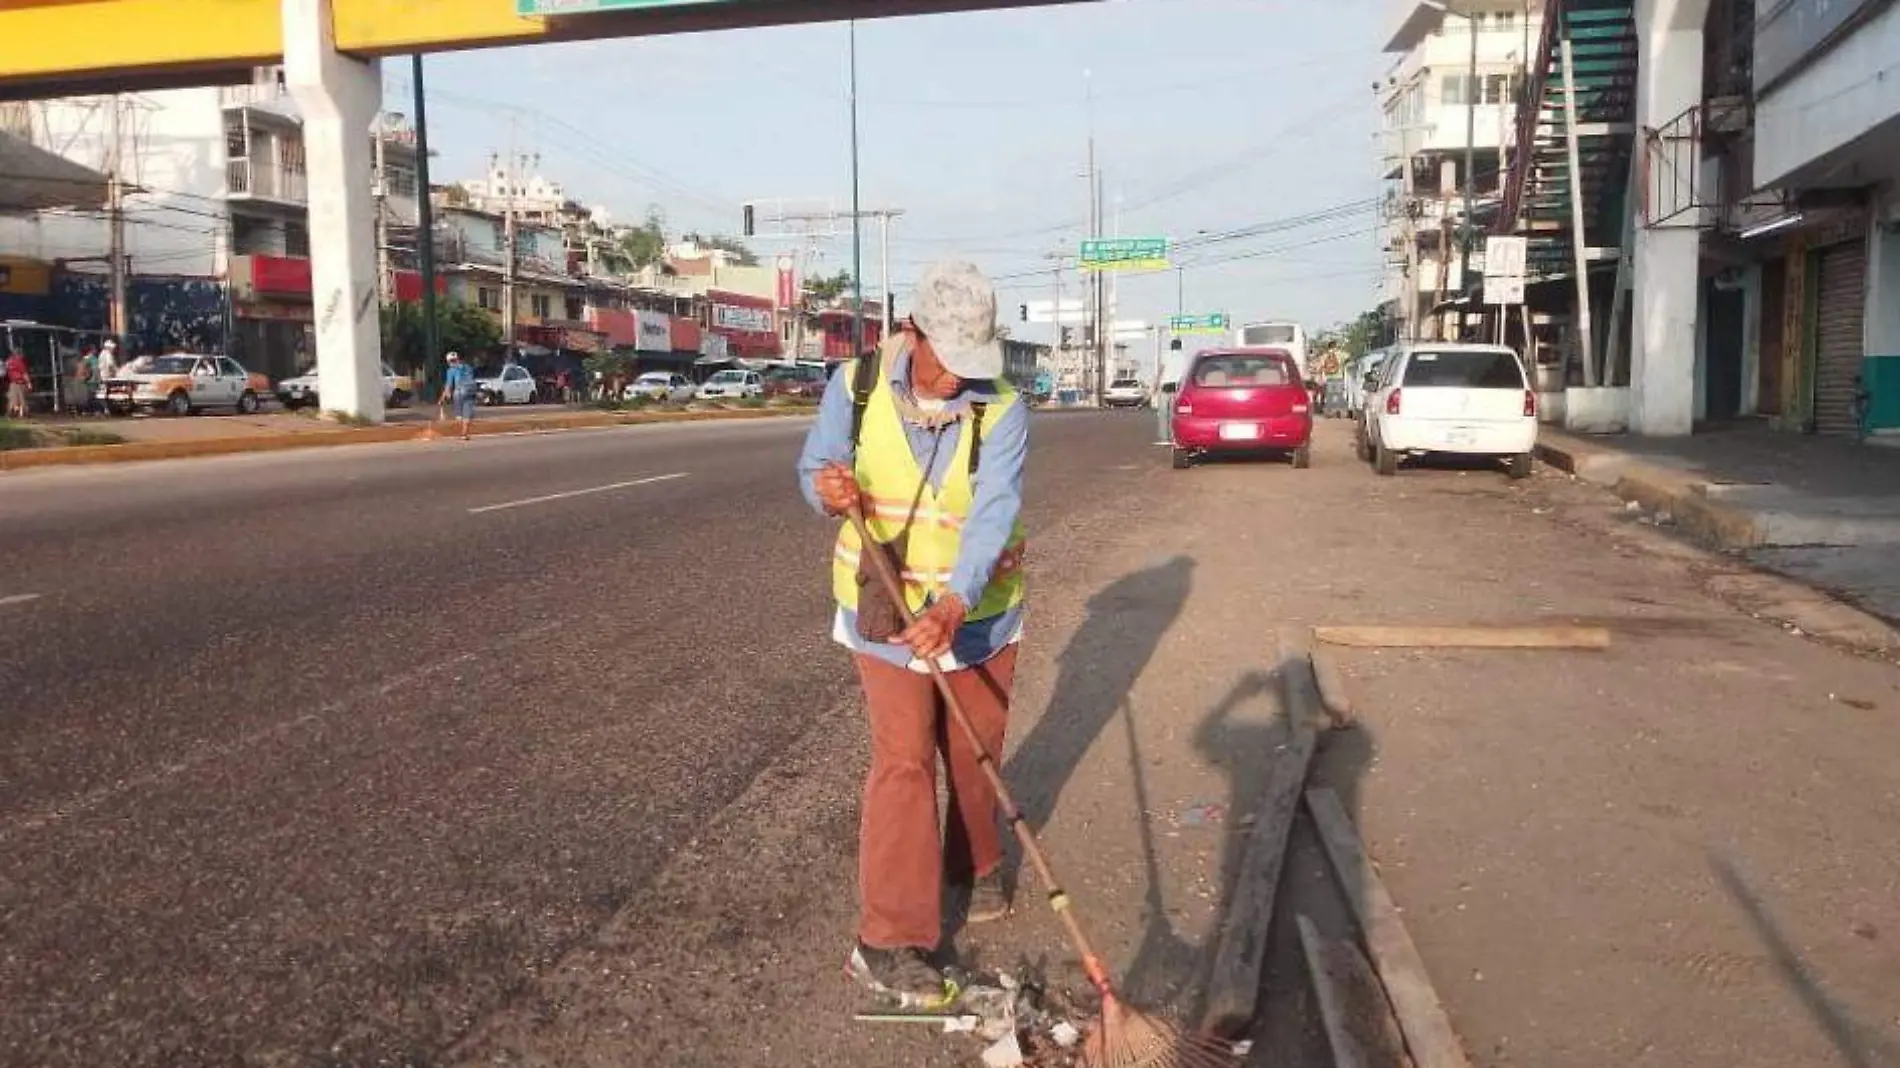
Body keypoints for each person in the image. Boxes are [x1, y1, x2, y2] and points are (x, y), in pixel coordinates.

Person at [796, 260, 1030, 1007]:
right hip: (884, 611)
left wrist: (956, 605)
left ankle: (976, 858)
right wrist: (825, 487)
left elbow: (994, 509)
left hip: (978, 611)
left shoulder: (1004, 407)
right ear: (912, 333)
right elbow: (815, 468)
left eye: (972, 364)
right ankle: (888, 940)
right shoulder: (854, 386)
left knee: (972, 751)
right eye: (947, 361)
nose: (958, 378)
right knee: (903, 762)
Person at [439, 350, 476, 441]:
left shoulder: (451, 370)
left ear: (448, 361)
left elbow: (448, 386)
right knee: (467, 413)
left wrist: (442, 398)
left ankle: (459, 425)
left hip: (459, 391)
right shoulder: (468, 367)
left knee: (459, 414)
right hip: (471, 391)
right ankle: (464, 433)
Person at [4, 349, 29, 419]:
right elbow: (24, 373)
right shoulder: (18, 361)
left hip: (13, 382)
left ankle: (14, 413)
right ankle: (21, 413)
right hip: (19, 382)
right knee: (21, 399)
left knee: (13, 399)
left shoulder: (8, 362)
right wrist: (29, 383)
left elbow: (6, 372)